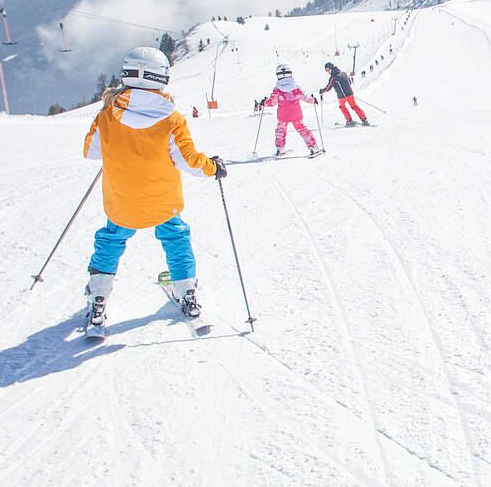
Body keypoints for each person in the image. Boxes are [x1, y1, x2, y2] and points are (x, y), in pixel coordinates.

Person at [81, 47, 228, 337]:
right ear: (162, 78)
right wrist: (212, 167)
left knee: (111, 239)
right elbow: (188, 161)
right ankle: (187, 292)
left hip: (122, 202)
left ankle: (98, 297)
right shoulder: (171, 118)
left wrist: (112, 137)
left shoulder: (109, 115)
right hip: (163, 202)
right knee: (175, 237)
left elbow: (91, 152)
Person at [263, 64, 322, 157]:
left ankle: (280, 149)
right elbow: (305, 97)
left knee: (280, 131)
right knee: (302, 129)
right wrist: (313, 100)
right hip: (296, 114)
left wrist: (265, 102)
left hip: (283, 115)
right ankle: (313, 148)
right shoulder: (295, 87)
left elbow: (272, 102)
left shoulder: (277, 89)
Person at [319, 62, 369, 126]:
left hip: (342, 96)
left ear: (331, 68)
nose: (327, 72)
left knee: (342, 107)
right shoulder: (344, 73)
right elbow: (349, 82)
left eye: (328, 70)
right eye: (326, 70)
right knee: (354, 106)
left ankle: (349, 120)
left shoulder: (333, 78)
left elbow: (328, 88)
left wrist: (322, 91)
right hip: (350, 93)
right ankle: (364, 119)